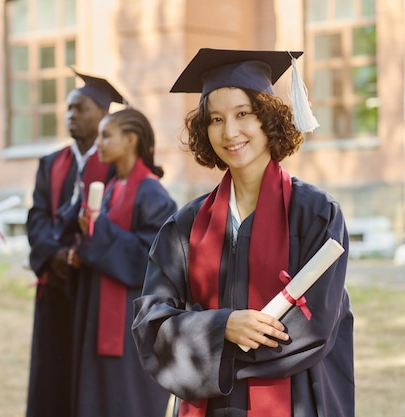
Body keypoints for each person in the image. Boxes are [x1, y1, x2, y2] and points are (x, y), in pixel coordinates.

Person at [132, 49, 354, 417]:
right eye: (216, 119)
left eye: (242, 114)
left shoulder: (316, 213)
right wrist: (224, 327)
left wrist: (212, 351)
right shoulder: (183, 227)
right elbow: (151, 324)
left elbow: (317, 327)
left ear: (267, 117)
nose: (230, 131)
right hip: (212, 405)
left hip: (294, 400)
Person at [25, 68, 125, 417]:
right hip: (55, 282)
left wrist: (81, 254)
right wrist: (54, 255)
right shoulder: (51, 163)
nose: (71, 115)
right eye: (68, 108)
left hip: (94, 283)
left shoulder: (116, 163)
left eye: (80, 108)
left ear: (103, 114)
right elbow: (36, 217)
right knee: (50, 373)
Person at [69, 108, 176, 417]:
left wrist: (98, 229)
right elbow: (104, 242)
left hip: (130, 323)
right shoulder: (115, 186)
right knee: (97, 397)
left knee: (125, 400)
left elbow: (153, 258)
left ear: (130, 140)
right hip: (98, 312)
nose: (98, 143)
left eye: (106, 135)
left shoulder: (152, 192)